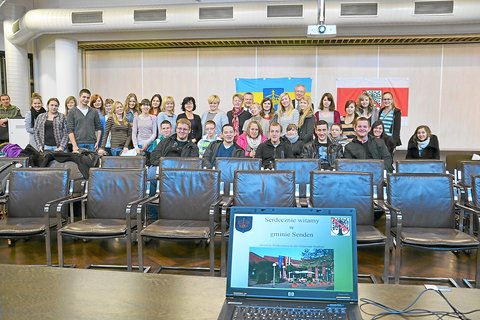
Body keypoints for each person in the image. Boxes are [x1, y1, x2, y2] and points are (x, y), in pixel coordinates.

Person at [67, 88, 102, 152]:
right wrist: (74, 145)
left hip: (92, 143)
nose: (86, 99)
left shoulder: (94, 111)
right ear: (79, 97)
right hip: (78, 143)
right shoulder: (72, 112)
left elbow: (99, 128)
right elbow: (70, 130)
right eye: (84, 97)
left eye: (88, 98)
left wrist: (97, 142)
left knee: (92, 162)